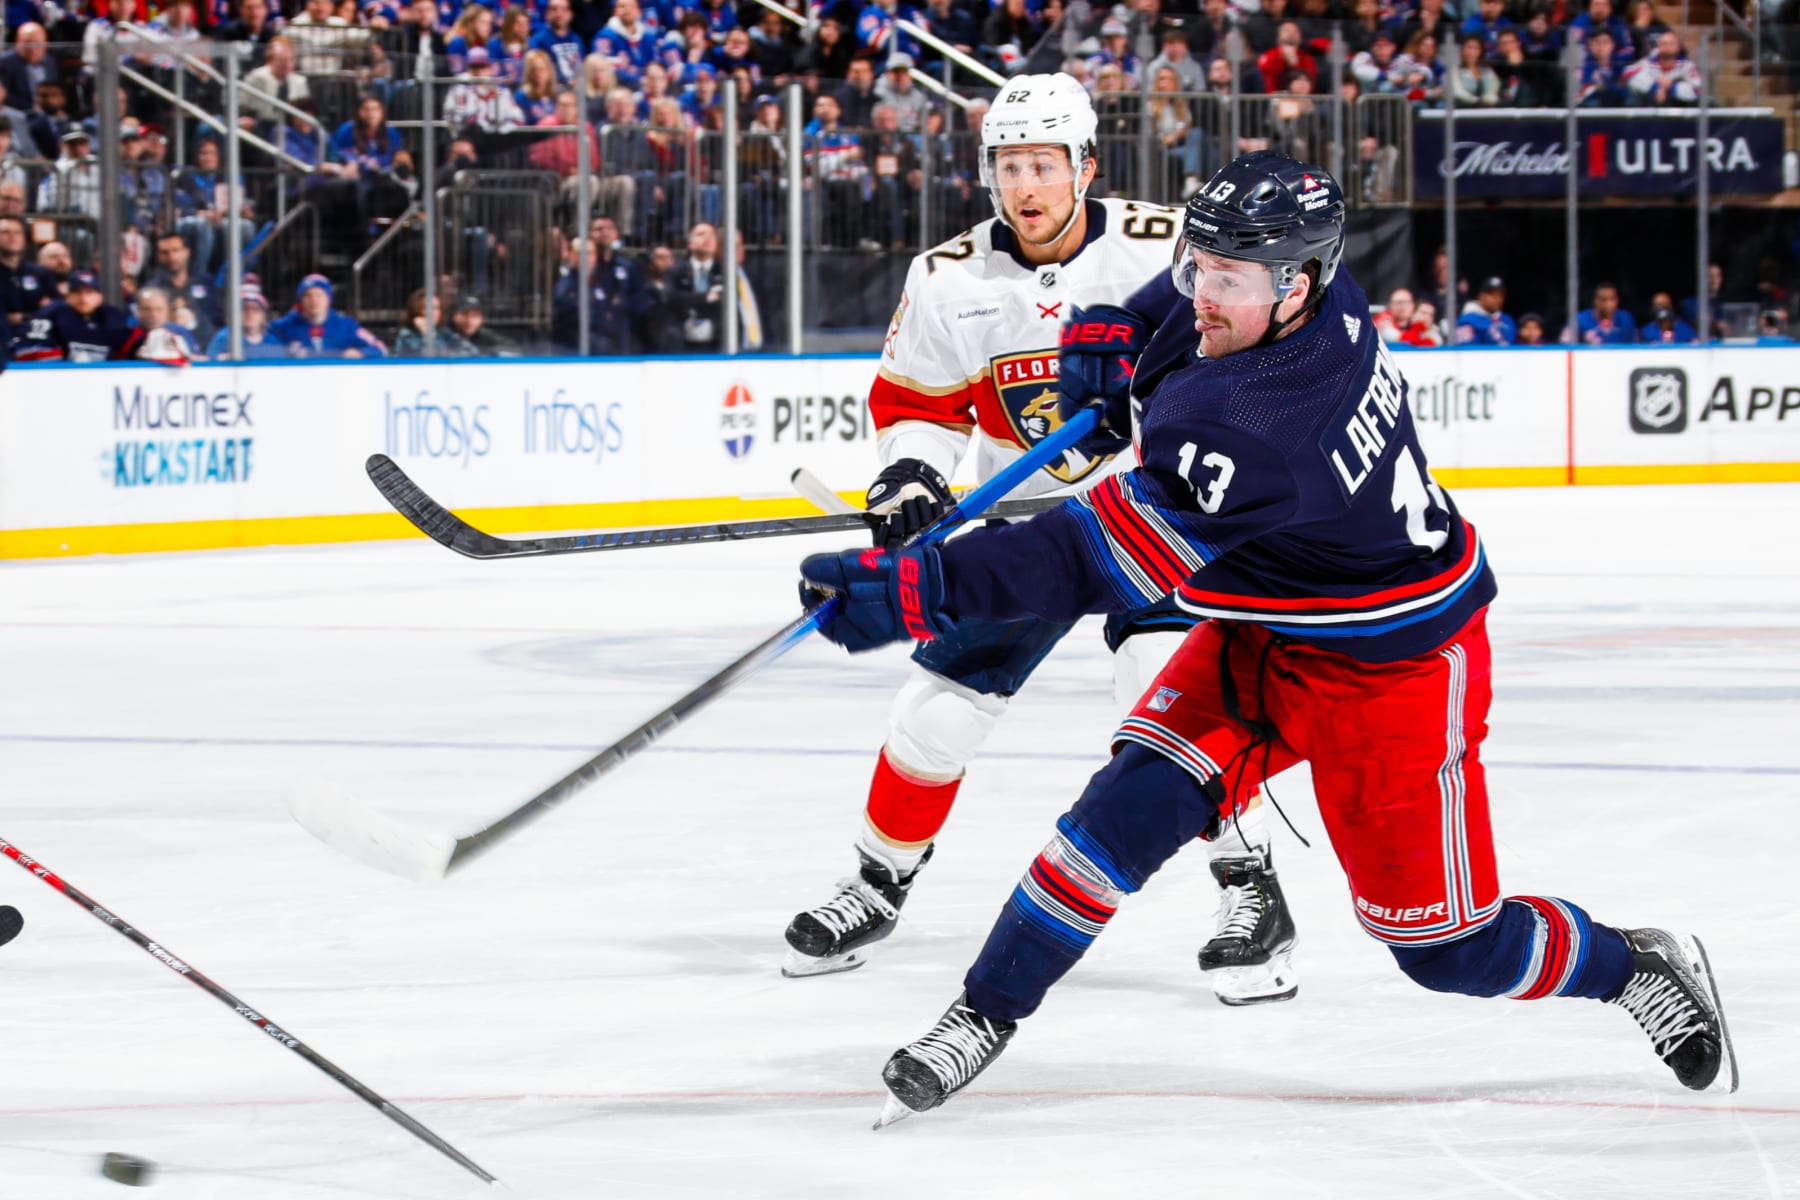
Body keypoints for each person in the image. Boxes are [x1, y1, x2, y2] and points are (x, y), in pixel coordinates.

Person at [796, 150, 1738, 1121]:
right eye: (1199, 261)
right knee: (1112, 823)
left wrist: (921, 586)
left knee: (1447, 952)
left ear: (1297, 282)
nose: (1202, 289)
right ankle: (980, 1014)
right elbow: (1180, 304)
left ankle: (1634, 966)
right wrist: (1123, 336)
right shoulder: (1310, 289)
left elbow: (1088, 562)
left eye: (1227, 278)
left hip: (1394, 673)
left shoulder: (1266, 422)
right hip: (1262, 629)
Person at [780, 75, 1301, 1008]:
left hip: (1151, 524)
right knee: (935, 713)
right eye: (1009, 166)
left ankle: (1250, 889)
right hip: (1025, 533)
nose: (1026, 185)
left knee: (1167, 701)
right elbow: (917, 405)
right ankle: (878, 879)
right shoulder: (948, 276)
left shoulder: (1167, 248)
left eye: (1044, 165)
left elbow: (1240, 350)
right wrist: (909, 471)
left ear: (1084, 167)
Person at [13, 270, 144, 362]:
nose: (83, 298)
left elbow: (134, 348)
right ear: (68, 296)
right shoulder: (51, 315)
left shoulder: (111, 317)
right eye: (77, 292)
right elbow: (29, 351)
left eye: (89, 292)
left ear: (100, 297)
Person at [267, 273, 389, 357]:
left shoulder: (346, 326)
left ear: (328, 299)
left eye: (319, 295)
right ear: (301, 300)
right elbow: (261, 348)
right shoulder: (281, 327)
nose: (314, 301)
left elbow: (381, 348)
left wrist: (360, 353)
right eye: (308, 295)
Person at [145, 229, 222, 347]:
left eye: (176, 250)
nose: (171, 257)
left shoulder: (206, 283)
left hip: (208, 357)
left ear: (186, 252)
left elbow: (220, 320)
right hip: (168, 355)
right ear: (158, 256)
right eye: (165, 252)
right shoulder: (152, 290)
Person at [0, 213, 57, 339]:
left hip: (38, 339)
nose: (12, 237)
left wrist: (25, 317)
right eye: (5, 232)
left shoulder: (40, 272)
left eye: (17, 233)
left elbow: (57, 306)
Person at [204, 282, 290, 359]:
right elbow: (210, 360)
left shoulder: (273, 343)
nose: (250, 313)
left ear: (263, 316)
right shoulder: (224, 337)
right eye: (245, 308)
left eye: (256, 309)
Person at [392, 287, 477, 355]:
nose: (432, 313)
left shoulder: (444, 333)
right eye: (426, 308)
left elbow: (472, 351)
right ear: (416, 310)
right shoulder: (406, 336)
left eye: (436, 308)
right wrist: (427, 334)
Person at [132, 285, 203, 363]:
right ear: (138, 311)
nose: (153, 314)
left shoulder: (179, 332)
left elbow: (197, 360)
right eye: (147, 309)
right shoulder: (130, 334)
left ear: (167, 311)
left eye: (159, 309)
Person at [1566, 280, 1638, 345]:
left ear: (1617, 300)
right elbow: (1564, 345)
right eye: (1603, 299)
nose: (1608, 304)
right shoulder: (1580, 319)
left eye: (1612, 299)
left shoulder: (1626, 319)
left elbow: (1635, 347)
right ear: (1595, 301)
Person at [448, 294, 520, 354]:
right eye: (464, 314)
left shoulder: (481, 334)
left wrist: (486, 352)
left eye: (475, 316)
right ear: (453, 316)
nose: (469, 320)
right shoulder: (445, 335)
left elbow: (512, 347)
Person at [1373, 286, 1442, 346]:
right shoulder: (1383, 321)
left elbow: (1436, 341)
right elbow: (1393, 336)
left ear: (1412, 305)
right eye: (1398, 303)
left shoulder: (1427, 328)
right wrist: (1418, 327)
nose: (1402, 307)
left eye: (1406, 303)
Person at [1456, 276, 1515, 344]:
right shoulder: (1468, 320)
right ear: (1481, 296)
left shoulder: (1507, 320)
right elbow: (1466, 349)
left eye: (1500, 295)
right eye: (1491, 294)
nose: (1496, 298)